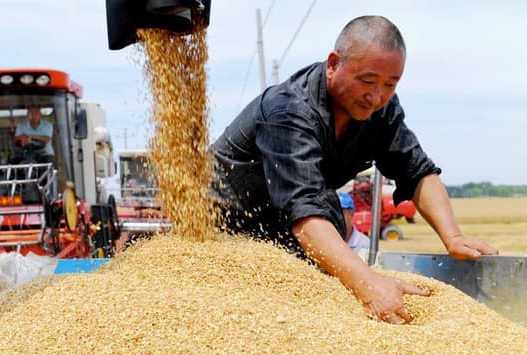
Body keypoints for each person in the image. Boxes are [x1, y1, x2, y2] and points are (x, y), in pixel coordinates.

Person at [210, 15, 498, 325]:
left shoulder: (379, 110)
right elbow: (304, 209)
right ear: (334, 63)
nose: (377, 96)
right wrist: (367, 283)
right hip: (226, 234)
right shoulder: (288, 109)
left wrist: (452, 236)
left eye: (391, 84)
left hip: (285, 233)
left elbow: (417, 170)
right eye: (368, 80)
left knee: (330, 222)